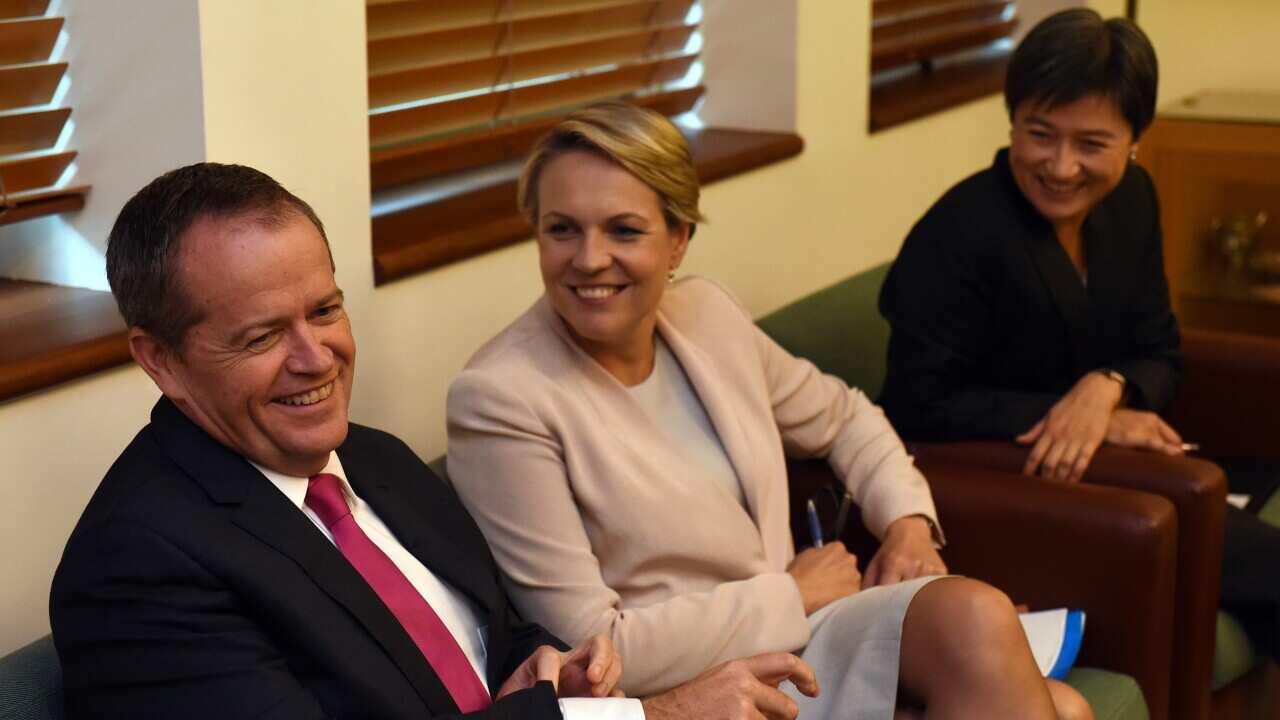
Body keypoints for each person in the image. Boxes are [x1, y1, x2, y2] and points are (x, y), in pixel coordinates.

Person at [49, 162, 820, 720]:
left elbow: (502, 631)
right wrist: (653, 716)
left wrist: (557, 668)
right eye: (260, 336)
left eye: (324, 311)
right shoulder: (136, 569)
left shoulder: (373, 458)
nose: (315, 357)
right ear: (160, 362)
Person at [447, 102, 1091, 719]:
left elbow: (846, 417)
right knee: (1060, 706)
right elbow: (591, 643)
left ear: (678, 241)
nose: (588, 259)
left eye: (623, 230)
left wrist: (908, 523)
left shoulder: (707, 314)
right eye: (562, 229)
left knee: (981, 620)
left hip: (805, 636)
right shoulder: (502, 398)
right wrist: (792, 594)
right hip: (691, 689)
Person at [879, 8, 1280, 663]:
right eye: (1040, 135)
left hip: (1118, 473)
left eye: (1092, 144)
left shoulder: (1133, 200)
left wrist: (1108, 388)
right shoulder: (959, 233)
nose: (1062, 167)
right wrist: (1090, 421)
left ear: (1134, 142)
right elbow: (915, 406)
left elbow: (1159, 351)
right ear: (1012, 123)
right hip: (1015, 489)